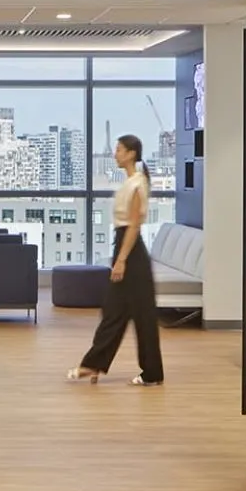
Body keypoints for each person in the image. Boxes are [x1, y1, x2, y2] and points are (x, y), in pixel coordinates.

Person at [69, 133, 164, 386]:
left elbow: (134, 225)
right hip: (125, 246)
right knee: (117, 311)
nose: (115, 154)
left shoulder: (138, 183)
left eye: (120, 149)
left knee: (138, 314)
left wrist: (121, 260)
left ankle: (146, 372)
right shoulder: (131, 181)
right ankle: (95, 365)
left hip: (131, 250)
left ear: (131, 153)